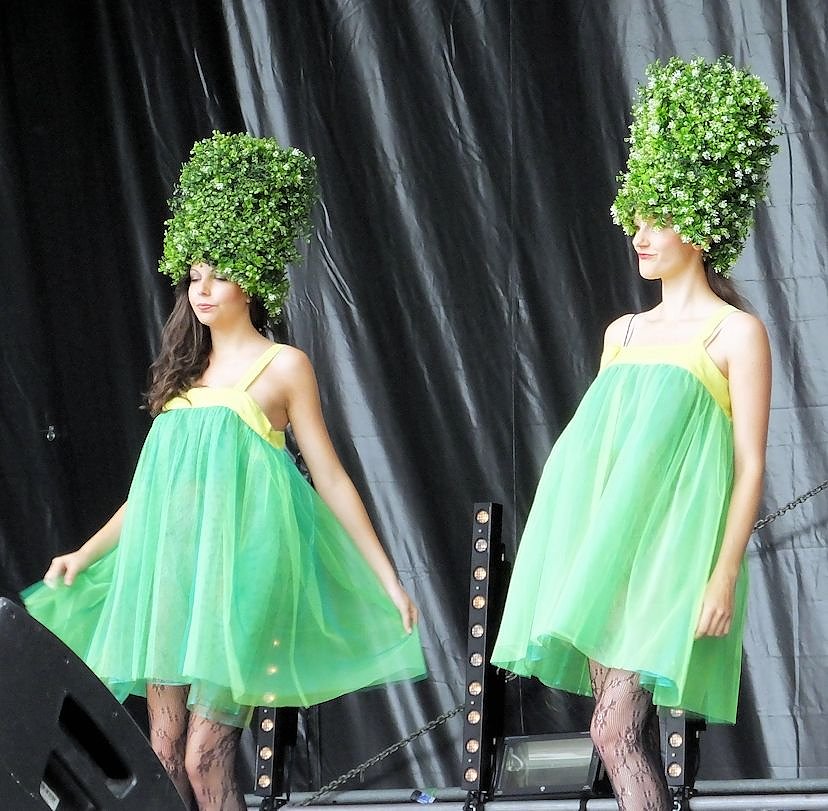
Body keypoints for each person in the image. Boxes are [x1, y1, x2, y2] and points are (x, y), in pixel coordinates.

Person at [23, 132, 426, 811]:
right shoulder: (181, 375)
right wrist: (85, 552)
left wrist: (388, 576)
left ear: (255, 278)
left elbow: (329, 476)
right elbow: (149, 498)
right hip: (171, 576)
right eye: (196, 272)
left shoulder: (284, 366)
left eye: (221, 272)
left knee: (207, 755)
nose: (203, 287)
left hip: (239, 579)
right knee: (160, 752)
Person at [491, 56, 778, 811]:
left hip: (675, 559)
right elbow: (602, 455)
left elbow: (749, 463)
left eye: (658, 216)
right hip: (611, 555)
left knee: (614, 727)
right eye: (635, 214)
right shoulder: (621, 332)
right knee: (620, 734)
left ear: (702, 222)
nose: (638, 232)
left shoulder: (734, 332)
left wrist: (721, 571)